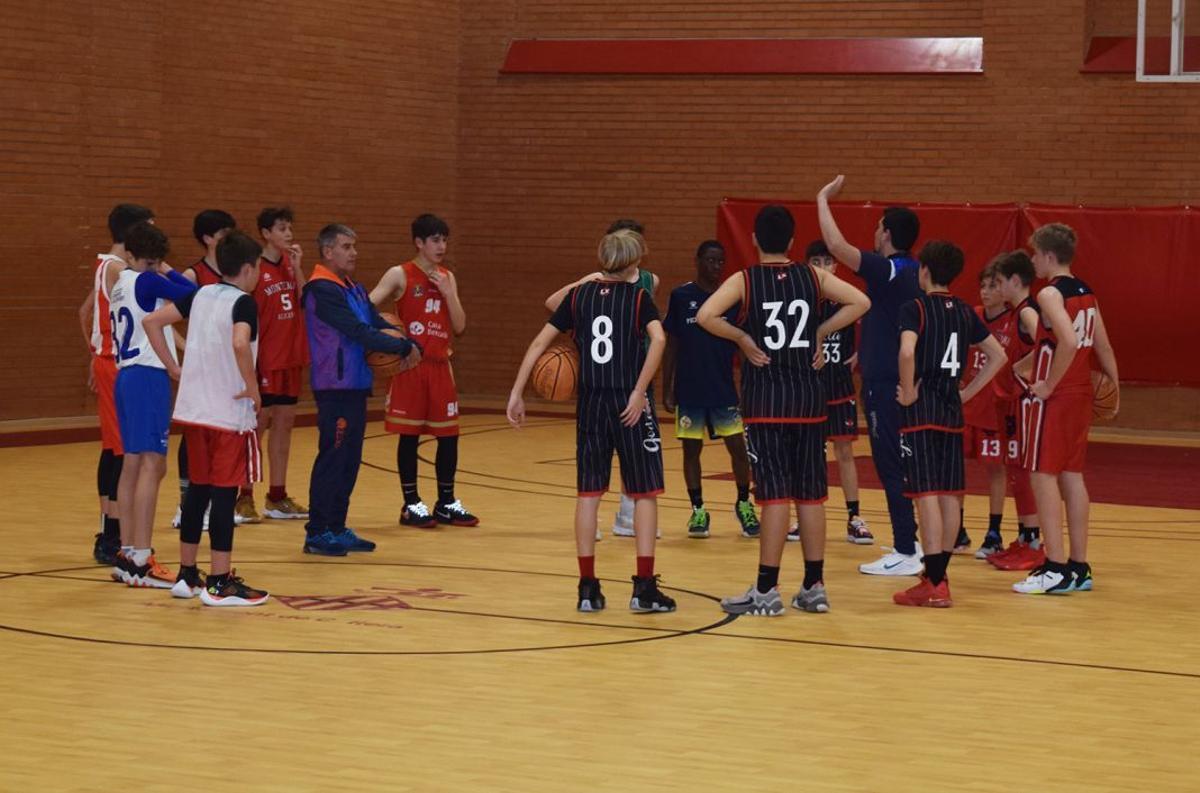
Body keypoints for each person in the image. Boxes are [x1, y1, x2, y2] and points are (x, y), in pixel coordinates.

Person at [701, 205, 870, 617]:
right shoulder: (812, 276)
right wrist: (821, 331)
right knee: (811, 495)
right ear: (793, 242)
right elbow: (860, 301)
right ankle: (814, 586)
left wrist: (741, 337)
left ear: (755, 240)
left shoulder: (745, 279)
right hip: (810, 401)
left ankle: (765, 589)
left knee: (775, 497)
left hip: (766, 403)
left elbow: (706, 316)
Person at [507, 228, 675, 613]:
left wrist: (517, 392)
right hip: (629, 403)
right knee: (645, 492)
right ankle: (644, 588)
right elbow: (661, 341)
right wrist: (638, 392)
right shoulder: (638, 298)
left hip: (591, 404)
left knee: (588, 495)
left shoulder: (579, 295)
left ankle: (587, 587)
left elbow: (539, 342)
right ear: (634, 261)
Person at [143, 230, 269, 606]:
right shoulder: (243, 302)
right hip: (226, 412)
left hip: (194, 410)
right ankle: (218, 581)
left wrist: (173, 368)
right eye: (259, 266)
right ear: (248, 268)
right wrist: (252, 386)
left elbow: (152, 322)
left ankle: (187, 575)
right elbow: (238, 342)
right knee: (223, 495)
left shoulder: (199, 295)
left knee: (196, 490)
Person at [817, 175, 924, 576]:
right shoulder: (915, 271)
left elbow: (836, 247)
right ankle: (912, 542)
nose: (874, 232)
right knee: (906, 463)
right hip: (905, 380)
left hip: (885, 383)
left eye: (879, 226)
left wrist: (822, 200)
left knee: (891, 463)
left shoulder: (892, 270)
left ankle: (906, 550)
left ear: (888, 233)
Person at [892, 241, 1006, 607]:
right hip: (951, 410)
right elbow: (998, 355)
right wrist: (968, 392)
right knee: (947, 495)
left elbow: (907, 351)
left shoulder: (915, 308)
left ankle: (936, 581)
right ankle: (937, 577)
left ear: (923, 270)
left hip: (922, 409)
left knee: (926, 494)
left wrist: (908, 391)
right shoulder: (963, 311)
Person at [1012, 224, 1118, 595]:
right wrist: (1114, 385)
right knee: (1072, 476)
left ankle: (1054, 566)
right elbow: (1101, 346)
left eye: (1035, 254)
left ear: (1049, 256)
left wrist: (1047, 385)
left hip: (1057, 399)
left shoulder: (1049, 295)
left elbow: (1069, 342)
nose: (1033, 260)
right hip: (1081, 395)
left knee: (1042, 475)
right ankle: (1079, 566)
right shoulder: (1086, 291)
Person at [303, 224, 421, 555]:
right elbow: (356, 330)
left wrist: (411, 343)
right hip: (333, 386)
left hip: (355, 384)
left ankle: (337, 526)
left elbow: (376, 321)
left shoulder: (352, 287)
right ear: (328, 252)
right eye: (347, 246)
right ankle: (317, 531)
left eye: (354, 246)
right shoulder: (321, 290)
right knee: (333, 457)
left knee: (350, 459)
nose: (354, 252)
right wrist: (399, 349)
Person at [371, 214, 476, 528]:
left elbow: (459, 326)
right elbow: (366, 304)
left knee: (449, 437)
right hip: (410, 367)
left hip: (440, 367)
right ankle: (411, 503)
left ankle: (446, 502)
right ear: (419, 242)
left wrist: (448, 292)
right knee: (409, 436)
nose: (441, 246)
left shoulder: (447, 277)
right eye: (435, 240)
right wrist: (390, 339)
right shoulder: (400, 274)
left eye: (444, 239)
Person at [106, 221, 196, 588]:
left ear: (128, 251)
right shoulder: (149, 279)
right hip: (147, 375)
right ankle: (142, 558)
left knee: (132, 463)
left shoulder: (121, 283)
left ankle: (128, 552)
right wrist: (166, 269)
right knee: (153, 465)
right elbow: (194, 293)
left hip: (125, 376)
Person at [660, 240, 758, 539]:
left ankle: (744, 503)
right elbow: (671, 345)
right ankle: (698, 509)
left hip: (723, 390)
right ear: (698, 260)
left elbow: (742, 343)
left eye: (720, 261)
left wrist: (750, 385)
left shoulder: (730, 298)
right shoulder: (681, 296)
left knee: (738, 450)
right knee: (692, 451)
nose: (716, 266)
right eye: (711, 260)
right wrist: (667, 387)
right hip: (689, 391)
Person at [78, 203, 155, 565]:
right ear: (133, 233)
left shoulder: (104, 264)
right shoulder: (121, 270)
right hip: (117, 364)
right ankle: (111, 536)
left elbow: (84, 313)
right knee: (121, 451)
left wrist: (95, 351)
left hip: (108, 359)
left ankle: (109, 531)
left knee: (114, 448)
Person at [235, 207, 309, 523]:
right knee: (256, 429)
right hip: (264, 361)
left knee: (285, 426)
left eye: (290, 228)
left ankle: (276, 496)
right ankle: (243, 496)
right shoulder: (255, 268)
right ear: (266, 233)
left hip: (290, 359)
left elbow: (309, 303)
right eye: (282, 228)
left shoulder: (291, 267)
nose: (288, 234)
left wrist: (299, 269)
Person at [801, 239, 873, 545]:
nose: (821, 267)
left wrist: (863, 352)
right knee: (810, 455)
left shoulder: (848, 299)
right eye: (815, 262)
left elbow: (875, 323)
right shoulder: (803, 300)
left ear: (836, 266)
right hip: (811, 388)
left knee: (844, 452)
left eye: (826, 261)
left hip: (840, 386)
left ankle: (854, 517)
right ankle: (806, 514)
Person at [172, 209, 238, 530]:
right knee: (195, 433)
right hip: (203, 369)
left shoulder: (234, 273)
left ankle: (216, 501)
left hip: (228, 369)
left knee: (222, 433)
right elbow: (163, 320)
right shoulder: (193, 276)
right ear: (208, 238)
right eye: (224, 234)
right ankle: (186, 503)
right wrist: (190, 349)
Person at [987, 251, 1045, 569]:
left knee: (1022, 471)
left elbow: (1047, 344)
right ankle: (1025, 536)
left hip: (1022, 404)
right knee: (1015, 471)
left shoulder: (1027, 313)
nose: (997, 288)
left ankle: (1034, 540)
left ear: (1015, 281)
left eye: (999, 282)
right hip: (1009, 404)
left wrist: (1018, 369)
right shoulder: (1018, 311)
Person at [958, 259, 1016, 556]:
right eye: (982, 285)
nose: (986, 291)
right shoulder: (971, 316)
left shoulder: (1016, 320)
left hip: (994, 407)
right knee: (956, 468)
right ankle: (957, 530)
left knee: (996, 470)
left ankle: (994, 532)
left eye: (993, 285)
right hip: (966, 402)